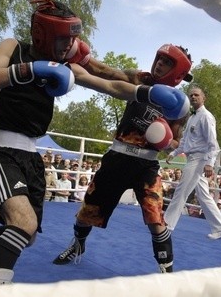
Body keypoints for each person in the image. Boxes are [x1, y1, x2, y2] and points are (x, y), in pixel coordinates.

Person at [0, 0, 189, 286]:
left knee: (28, 234)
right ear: (44, 34)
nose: (71, 44)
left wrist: (147, 94)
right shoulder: (13, 48)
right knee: (23, 223)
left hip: (31, 156)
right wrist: (31, 69)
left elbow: (111, 85)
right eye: (65, 37)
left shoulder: (66, 66)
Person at [53, 43, 193, 273]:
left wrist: (165, 140)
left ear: (177, 72)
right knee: (88, 212)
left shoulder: (179, 106)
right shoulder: (140, 79)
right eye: (160, 58)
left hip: (146, 166)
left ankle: (167, 272)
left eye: (167, 62)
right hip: (117, 158)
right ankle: (78, 245)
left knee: (156, 219)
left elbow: (175, 144)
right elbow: (108, 73)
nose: (159, 63)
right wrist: (81, 56)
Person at [164, 86, 221, 240]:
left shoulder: (206, 117)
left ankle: (166, 225)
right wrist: (174, 153)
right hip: (192, 157)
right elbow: (185, 142)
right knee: (203, 195)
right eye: (191, 95)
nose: (193, 97)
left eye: (196, 95)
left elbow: (212, 143)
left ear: (203, 97)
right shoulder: (192, 117)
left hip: (200, 158)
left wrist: (209, 162)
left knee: (182, 191)